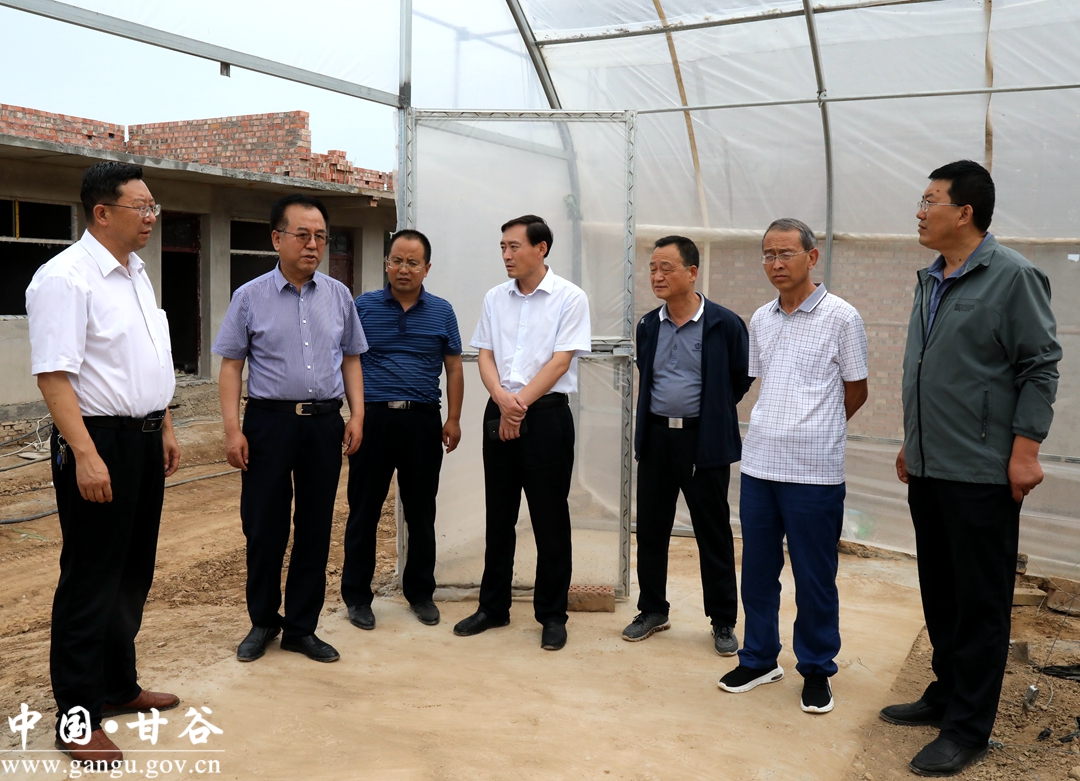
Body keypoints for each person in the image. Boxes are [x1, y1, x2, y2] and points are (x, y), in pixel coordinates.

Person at [882, 160, 1061, 777]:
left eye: (929, 200)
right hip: (930, 464)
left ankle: (968, 729)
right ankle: (946, 691)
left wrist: (1025, 451)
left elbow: (1039, 366)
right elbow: (929, 372)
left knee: (980, 601)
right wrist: (913, 443)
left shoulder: (1012, 276)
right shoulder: (931, 278)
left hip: (982, 472)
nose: (919, 211)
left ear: (964, 212)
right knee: (940, 591)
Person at [26, 162, 181, 763]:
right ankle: (77, 717)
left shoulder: (136, 273)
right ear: (102, 213)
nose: (151, 217)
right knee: (91, 580)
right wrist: (86, 456)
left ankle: (118, 685)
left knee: (132, 572)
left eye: (153, 207)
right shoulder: (65, 278)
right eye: (141, 207)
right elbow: (54, 376)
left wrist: (164, 424)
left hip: (142, 438)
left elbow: (146, 358)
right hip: (98, 443)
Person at [718, 218, 868, 716]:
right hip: (761, 464)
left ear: (812, 256)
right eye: (768, 255)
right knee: (758, 572)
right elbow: (766, 381)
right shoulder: (761, 318)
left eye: (785, 253)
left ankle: (817, 669)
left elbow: (857, 389)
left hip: (814, 472)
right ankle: (759, 658)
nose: (776, 263)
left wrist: (818, 428)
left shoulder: (842, 317)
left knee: (814, 576)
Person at [213, 194, 367, 664]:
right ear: (276, 239)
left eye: (320, 236)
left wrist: (357, 415)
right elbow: (231, 366)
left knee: (315, 527)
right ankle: (263, 621)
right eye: (303, 235)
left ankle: (302, 628)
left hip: (323, 425)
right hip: (268, 425)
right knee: (264, 527)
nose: (313, 244)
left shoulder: (339, 296)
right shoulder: (249, 296)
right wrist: (232, 430)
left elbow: (351, 358)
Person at [452, 214, 591, 651]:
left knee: (550, 519)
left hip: (546, 417)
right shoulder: (496, 298)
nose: (506, 255)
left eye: (514, 246)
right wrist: (502, 400)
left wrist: (519, 406)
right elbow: (485, 355)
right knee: (499, 516)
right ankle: (493, 607)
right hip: (500, 410)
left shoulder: (570, 297)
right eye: (503, 247)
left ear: (541, 248)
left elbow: (560, 362)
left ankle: (552, 615)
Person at [622, 235, 751, 657]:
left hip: (703, 441)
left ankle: (723, 620)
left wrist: (710, 412)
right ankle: (652, 610)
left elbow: (740, 377)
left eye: (667, 268)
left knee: (712, 532)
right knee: (651, 530)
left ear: (692, 272)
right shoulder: (648, 325)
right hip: (657, 439)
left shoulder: (724, 323)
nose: (657, 276)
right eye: (652, 268)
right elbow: (648, 373)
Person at [341, 229, 463, 629]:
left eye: (413, 262)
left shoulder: (442, 311)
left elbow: (454, 367)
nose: (403, 269)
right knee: (364, 511)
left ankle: (421, 593)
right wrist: (355, 415)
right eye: (397, 260)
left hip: (422, 422)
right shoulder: (363, 307)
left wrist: (453, 418)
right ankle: (357, 597)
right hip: (373, 420)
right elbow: (349, 360)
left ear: (427, 268)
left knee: (421, 512)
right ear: (386, 263)